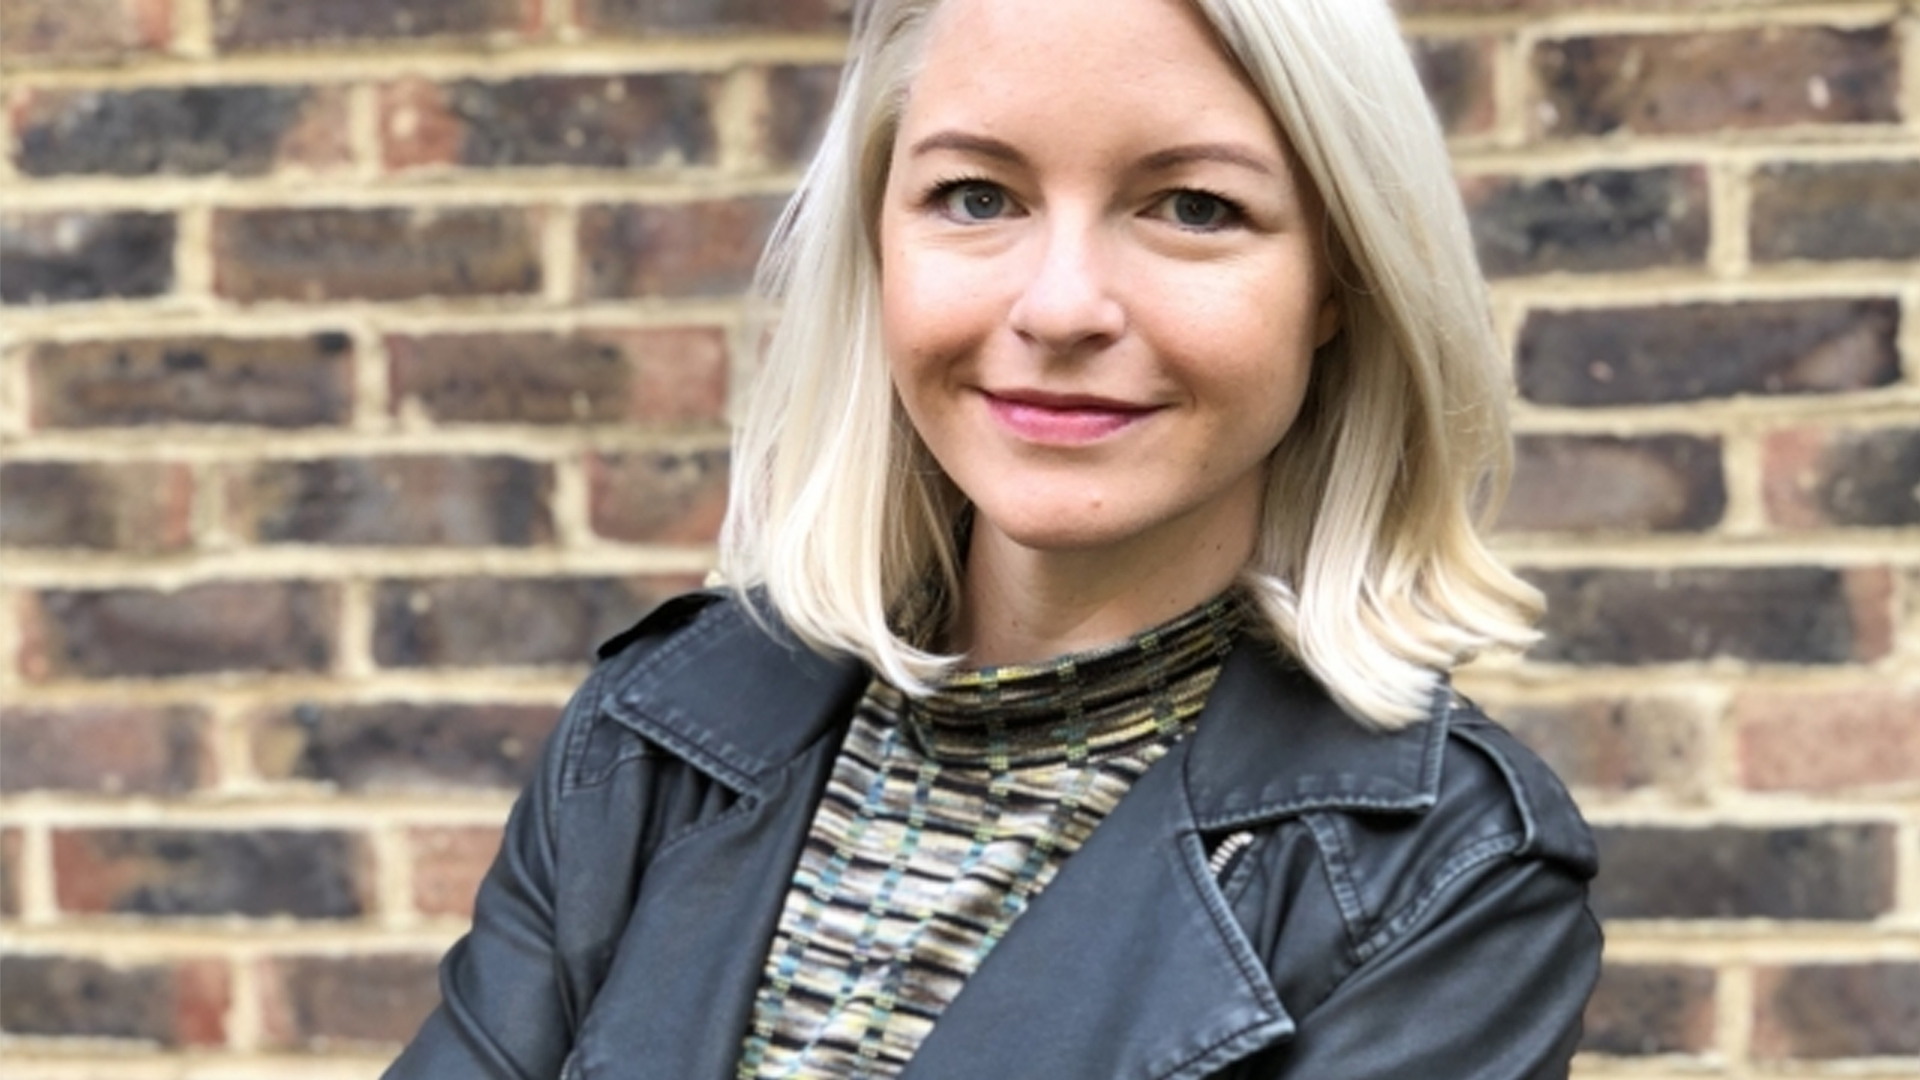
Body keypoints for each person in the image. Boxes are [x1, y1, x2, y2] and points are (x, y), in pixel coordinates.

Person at [386, 0, 1601, 1076]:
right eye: (977, 196)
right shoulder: (658, 734)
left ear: (1339, 279)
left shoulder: (1443, 876)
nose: (1060, 306)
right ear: (879, 240)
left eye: (1194, 206)